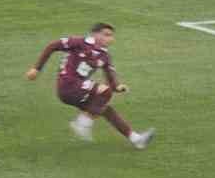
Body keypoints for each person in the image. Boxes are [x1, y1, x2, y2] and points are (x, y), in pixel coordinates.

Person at [26, 23, 155, 149]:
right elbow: (52, 46)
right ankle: (83, 123)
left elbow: (111, 77)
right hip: (67, 85)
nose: (110, 38)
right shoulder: (78, 42)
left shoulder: (105, 56)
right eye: (106, 35)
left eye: (111, 36)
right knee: (104, 92)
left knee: (105, 109)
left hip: (79, 90)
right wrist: (37, 68)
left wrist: (118, 86)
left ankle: (136, 139)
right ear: (95, 34)